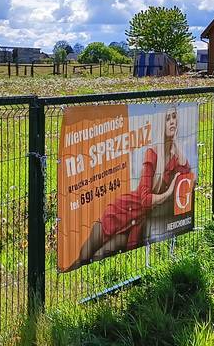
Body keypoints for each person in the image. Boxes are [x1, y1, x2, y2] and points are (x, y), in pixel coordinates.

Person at [71, 106, 191, 270]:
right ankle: (59, 291)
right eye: (167, 118)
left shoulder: (175, 158)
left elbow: (188, 173)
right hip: (122, 210)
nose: (172, 122)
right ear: (161, 124)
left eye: (174, 117)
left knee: (101, 254)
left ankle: (98, 288)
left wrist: (176, 143)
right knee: (85, 255)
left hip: (137, 223)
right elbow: (145, 199)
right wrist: (168, 192)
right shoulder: (153, 154)